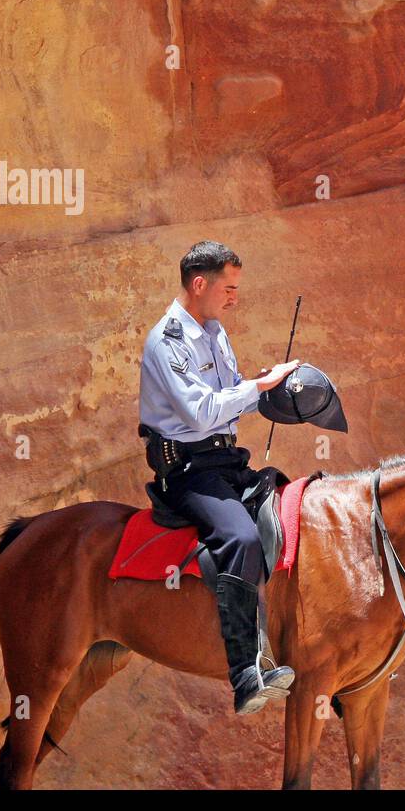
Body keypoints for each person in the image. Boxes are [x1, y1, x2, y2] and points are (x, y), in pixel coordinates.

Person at [138, 240, 306, 714]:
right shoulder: (167, 341)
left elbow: (231, 401)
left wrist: (275, 388)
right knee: (240, 537)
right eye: (228, 289)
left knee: (289, 510)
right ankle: (245, 674)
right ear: (199, 284)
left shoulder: (214, 332)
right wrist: (256, 388)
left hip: (225, 462)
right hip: (186, 471)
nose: (234, 298)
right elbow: (199, 414)